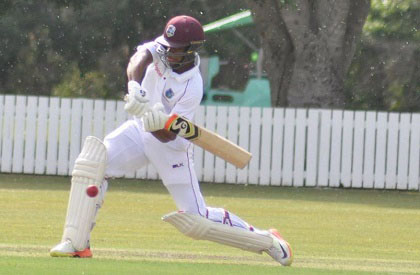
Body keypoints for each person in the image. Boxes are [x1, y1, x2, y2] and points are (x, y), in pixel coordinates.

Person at [49, 15, 293, 266]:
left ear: (191, 51)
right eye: (166, 48)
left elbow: (167, 135)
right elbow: (138, 59)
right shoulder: (163, 48)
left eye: (175, 52)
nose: (167, 55)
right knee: (92, 162)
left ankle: (266, 240)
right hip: (138, 130)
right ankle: (76, 244)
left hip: (172, 148)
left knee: (197, 221)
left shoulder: (192, 87)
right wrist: (135, 87)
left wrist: (148, 115)